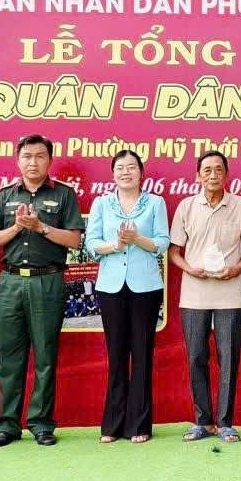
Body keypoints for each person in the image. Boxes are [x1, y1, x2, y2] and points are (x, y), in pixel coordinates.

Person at [0, 135, 83, 447]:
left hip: (47, 280)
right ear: (18, 160)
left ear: (49, 160)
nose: (33, 162)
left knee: (45, 355)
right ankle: (7, 425)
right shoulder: (5, 196)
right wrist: (17, 227)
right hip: (11, 281)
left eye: (40, 156)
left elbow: (75, 240)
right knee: (9, 356)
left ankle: (41, 423)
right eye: (27, 156)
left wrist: (40, 227)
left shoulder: (64, 194)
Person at [167, 150, 241, 443]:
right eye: (206, 170)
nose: (213, 175)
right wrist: (190, 269)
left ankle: (225, 422)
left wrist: (237, 269)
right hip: (194, 293)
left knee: (228, 357)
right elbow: (173, 252)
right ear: (197, 176)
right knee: (196, 356)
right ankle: (203, 422)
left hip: (229, 293)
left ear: (226, 174)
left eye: (218, 169)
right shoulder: (186, 207)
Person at [85, 150, 170, 444]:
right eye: (120, 168)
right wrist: (117, 245)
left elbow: (162, 242)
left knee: (142, 355)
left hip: (145, 287)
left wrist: (137, 240)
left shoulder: (155, 203)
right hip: (110, 287)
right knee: (117, 354)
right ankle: (112, 423)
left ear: (141, 173)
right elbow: (91, 244)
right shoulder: (102, 204)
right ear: (113, 174)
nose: (126, 172)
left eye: (131, 167)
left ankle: (139, 424)